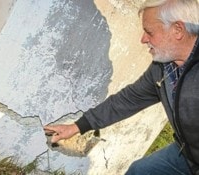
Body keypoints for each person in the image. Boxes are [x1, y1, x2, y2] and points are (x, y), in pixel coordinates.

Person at [44, 0, 199, 174]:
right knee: (140, 171)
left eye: (149, 32)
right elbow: (128, 99)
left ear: (177, 30)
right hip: (187, 153)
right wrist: (77, 126)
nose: (143, 39)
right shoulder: (163, 68)